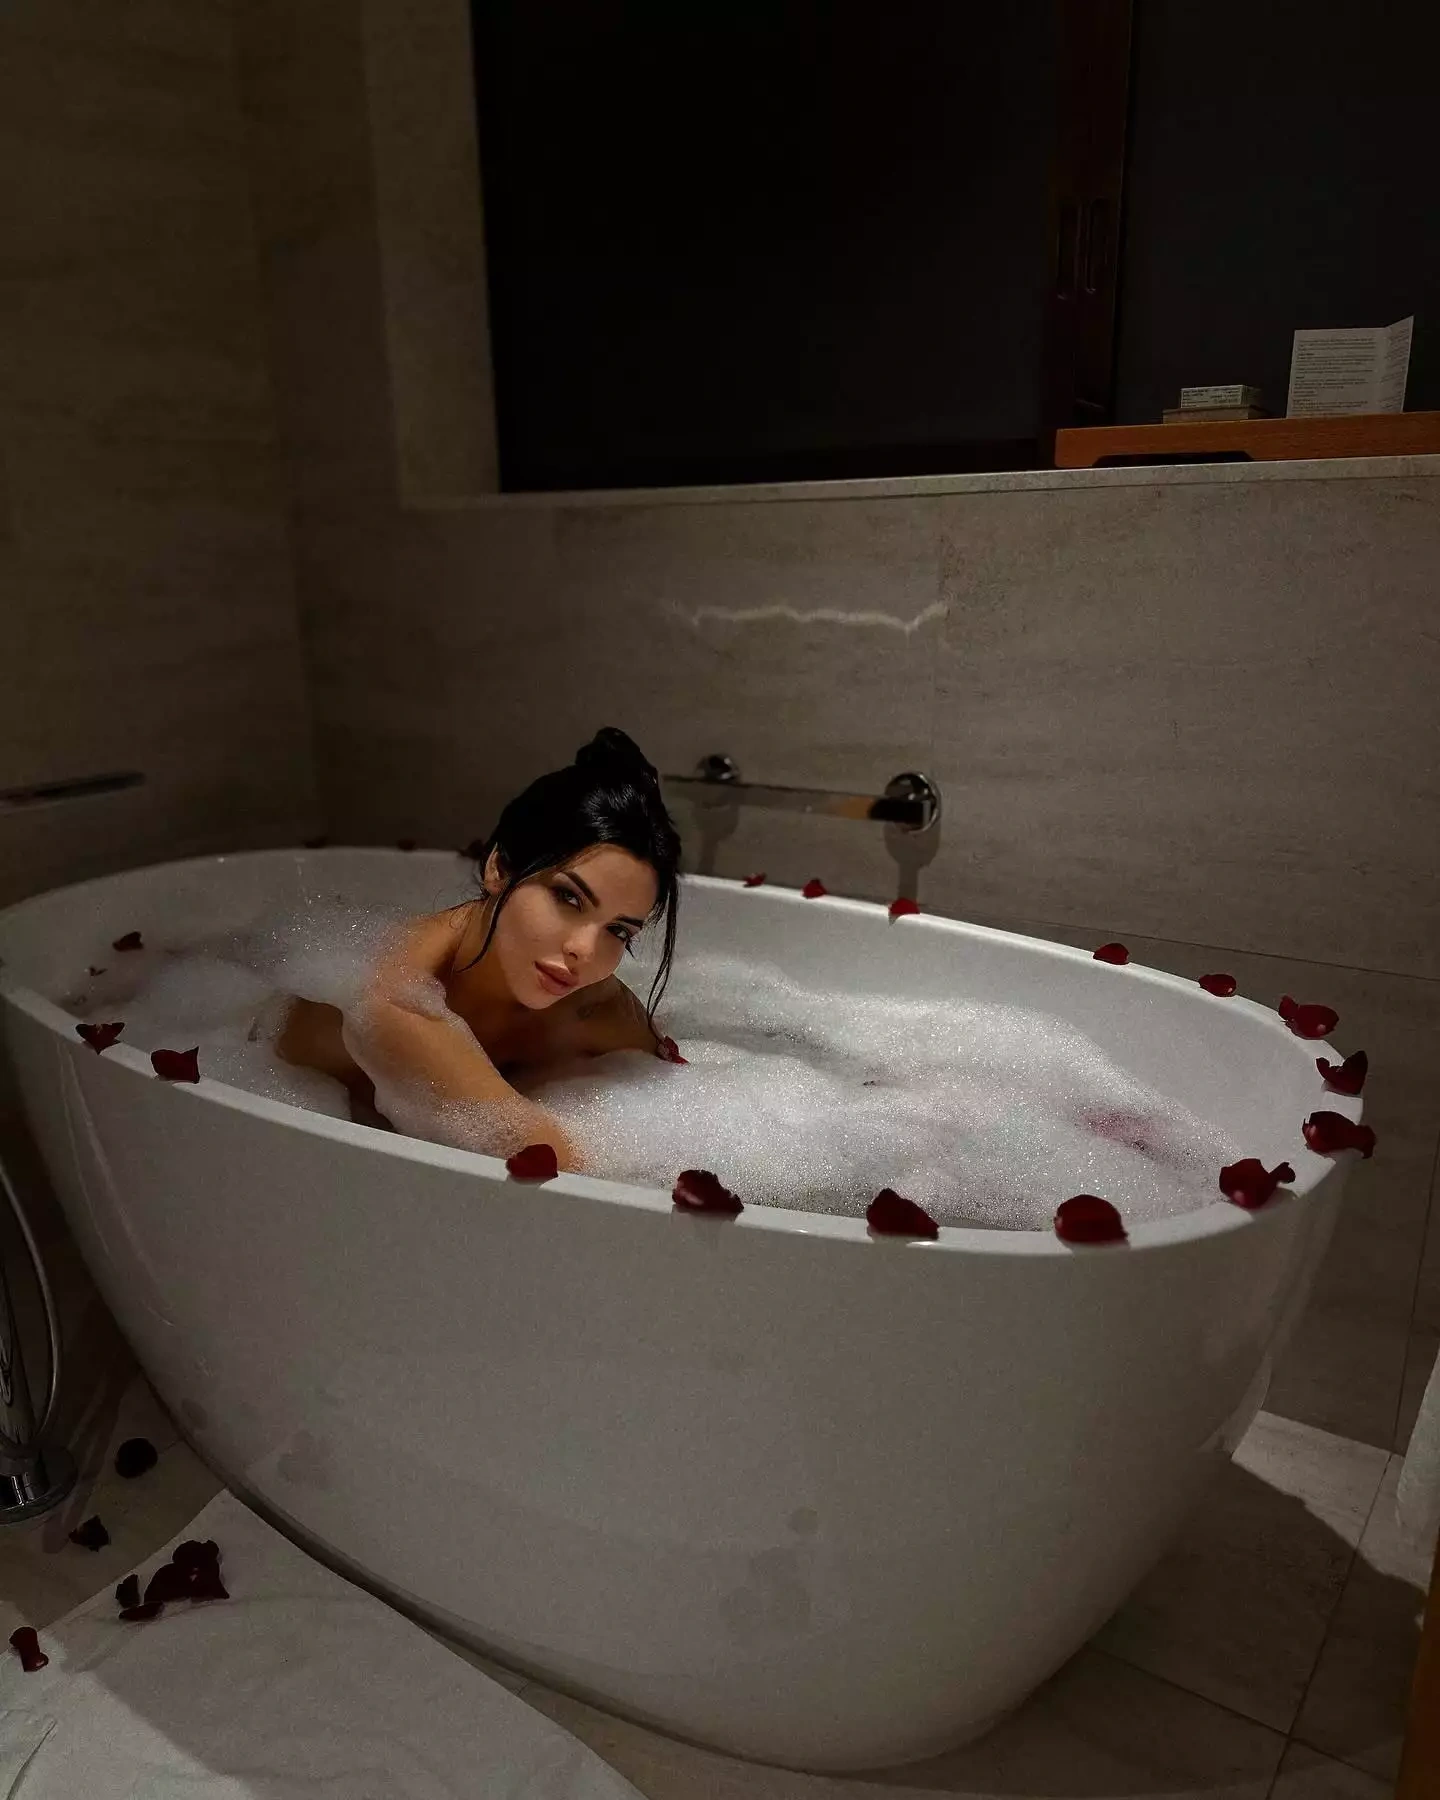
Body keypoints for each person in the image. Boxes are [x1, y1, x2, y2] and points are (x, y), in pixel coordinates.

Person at [277, 729, 681, 1170]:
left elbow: (677, 1094)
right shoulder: (395, 996)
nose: (584, 950)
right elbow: (558, 1167)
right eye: (568, 897)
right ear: (498, 868)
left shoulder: (595, 1007)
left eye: (618, 931)